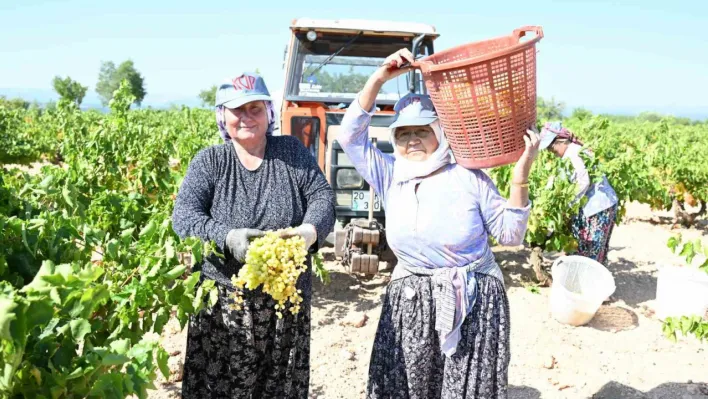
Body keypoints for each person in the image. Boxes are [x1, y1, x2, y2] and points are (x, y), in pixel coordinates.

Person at [338, 48, 540, 398]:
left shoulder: (468, 176)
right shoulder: (389, 174)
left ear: (440, 133)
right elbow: (350, 137)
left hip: (472, 302)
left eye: (422, 131)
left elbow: (511, 234)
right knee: (407, 387)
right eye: (403, 134)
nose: (412, 140)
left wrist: (520, 176)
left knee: (465, 389)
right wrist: (380, 78)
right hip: (412, 300)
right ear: (394, 140)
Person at [171, 72, 335, 398]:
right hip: (225, 304)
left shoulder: (290, 152)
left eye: (255, 109)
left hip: (283, 302)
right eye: (237, 111)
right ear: (222, 116)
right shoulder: (210, 161)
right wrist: (227, 236)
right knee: (221, 387)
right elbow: (184, 217)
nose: (246, 118)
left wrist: (308, 231)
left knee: (278, 385)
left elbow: (322, 197)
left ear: (269, 113)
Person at [538, 121, 619, 266]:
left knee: (590, 250)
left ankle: (587, 285)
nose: (551, 152)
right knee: (587, 250)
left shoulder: (573, 153)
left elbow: (583, 181)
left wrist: (567, 206)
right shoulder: (571, 152)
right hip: (596, 206)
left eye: (551, 147)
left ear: (561, 141)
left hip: (597, 208)